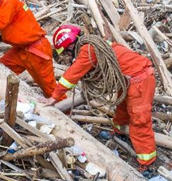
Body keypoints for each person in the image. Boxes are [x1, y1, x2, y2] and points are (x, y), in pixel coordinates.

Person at [43, 24, 157, 174]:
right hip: (129, 78)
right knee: (122, 107)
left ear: (70, 45)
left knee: (139, 120)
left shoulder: (88, 51)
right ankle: (119, 132)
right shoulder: (91, 45)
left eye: (66, 51)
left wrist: (54, 98)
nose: (67, 55)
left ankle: (147, 163)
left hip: (139, 79)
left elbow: (71, 76)